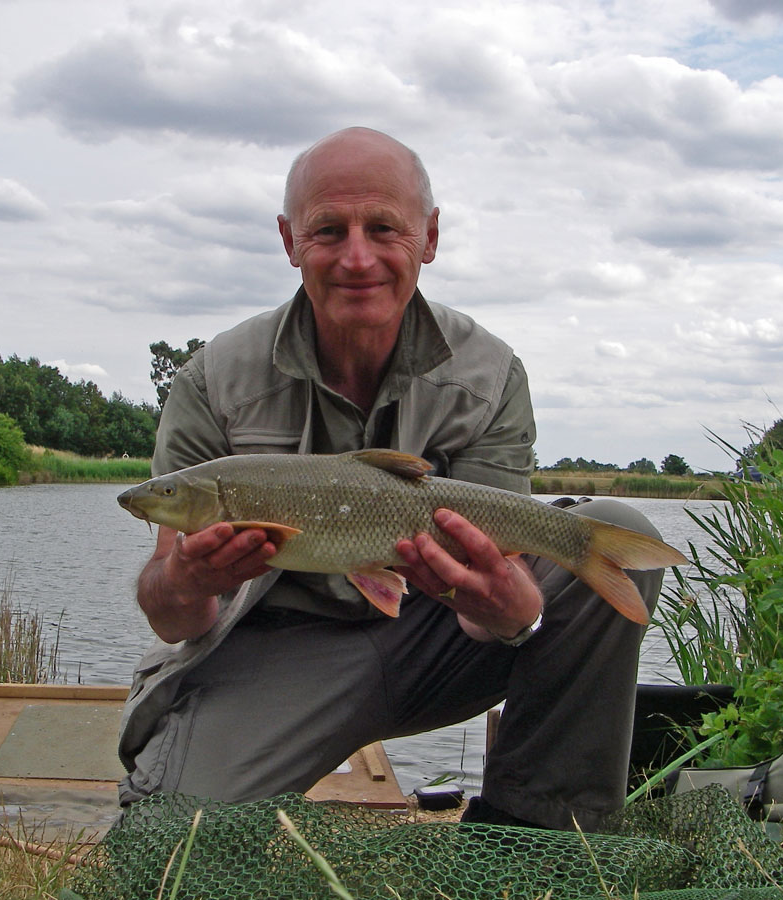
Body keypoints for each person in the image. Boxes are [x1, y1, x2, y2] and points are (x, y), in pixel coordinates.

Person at [117, 126, 665, 831]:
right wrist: (187, 584)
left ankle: (534, 833)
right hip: (284, 655)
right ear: (289, 241)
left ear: (429, 237)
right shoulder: (212, 380)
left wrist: (510, 611)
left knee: (623, 531)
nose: (357, 256)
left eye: (383, 228)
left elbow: (496, 610)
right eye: (327, 230)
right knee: (172, 841)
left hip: (440, 636)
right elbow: (171, 616)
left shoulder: (490, 375)